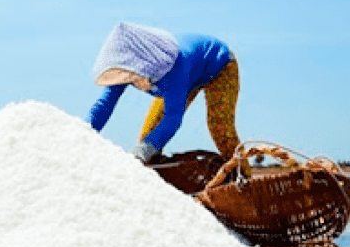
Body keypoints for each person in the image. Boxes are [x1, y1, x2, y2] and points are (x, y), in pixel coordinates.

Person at [87, 22, 244, 165]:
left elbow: (173, 117)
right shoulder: (125, 67)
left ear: (143, 65)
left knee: (221, 129)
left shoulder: (173, 69)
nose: (130, 82)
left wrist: (143, 152)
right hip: (190, 72)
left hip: (220, 66)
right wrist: (84, 131)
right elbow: (105, 104)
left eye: (134, 78)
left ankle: (245, 178)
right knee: (147, 135)